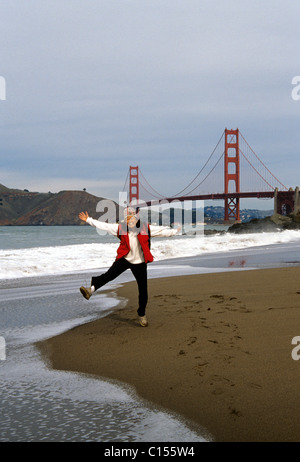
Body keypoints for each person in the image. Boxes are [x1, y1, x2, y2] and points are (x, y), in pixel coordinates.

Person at [78, 207, 180, 327]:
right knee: (109, 276)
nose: (129, 219)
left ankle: (141, 315)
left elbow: (162, 231)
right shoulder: (120, 228)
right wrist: (88, 220)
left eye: (132, 216)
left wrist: (175, 231)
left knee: (143, 290)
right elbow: (104, 226)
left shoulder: (145, 228)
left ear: (136, 217)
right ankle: (91, 290)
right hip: (125, 259)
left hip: (140, 263)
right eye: (127, 217)